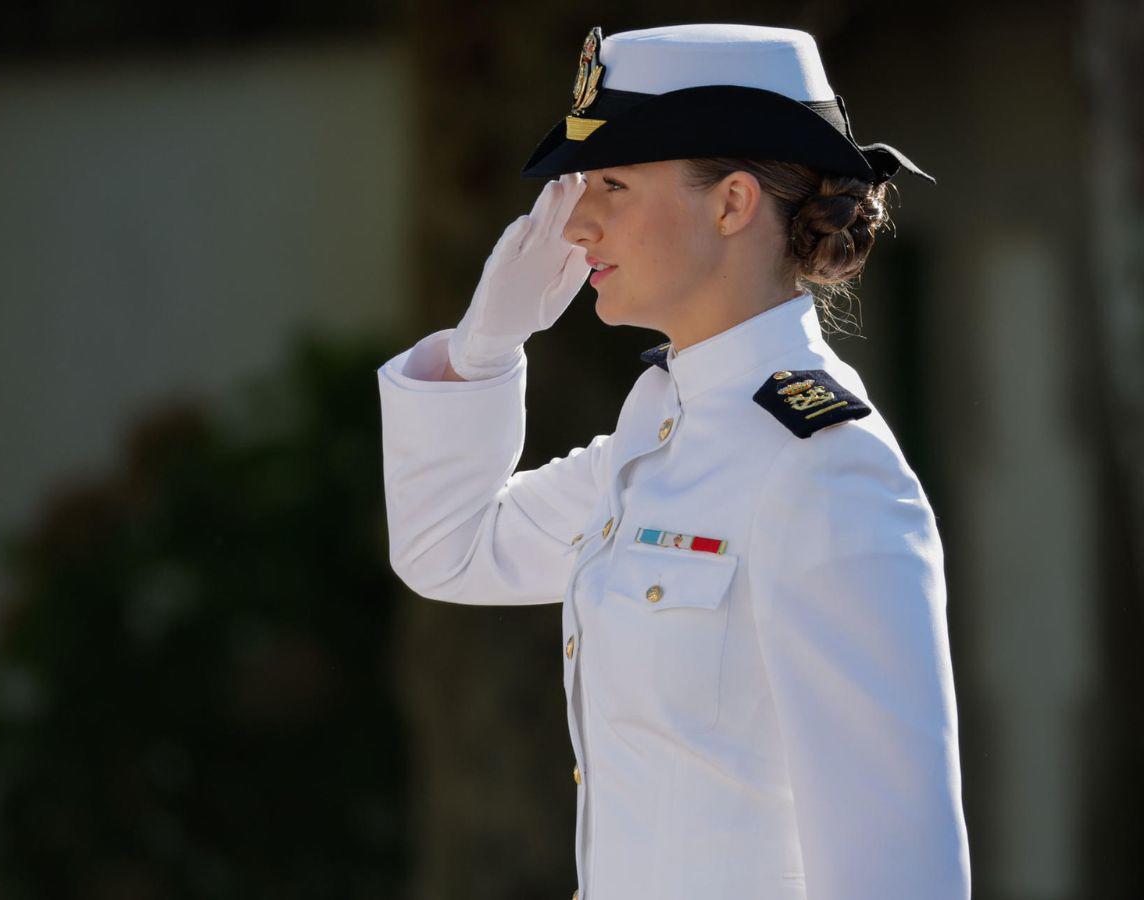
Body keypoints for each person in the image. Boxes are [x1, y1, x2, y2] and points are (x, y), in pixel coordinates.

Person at [376, 22, 970, 900]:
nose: (577, 222)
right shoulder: (662, 429)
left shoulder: (823, 468)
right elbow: (451, 549)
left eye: (612, 183)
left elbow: (898, 863)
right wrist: (484, 347)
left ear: (732, 204)